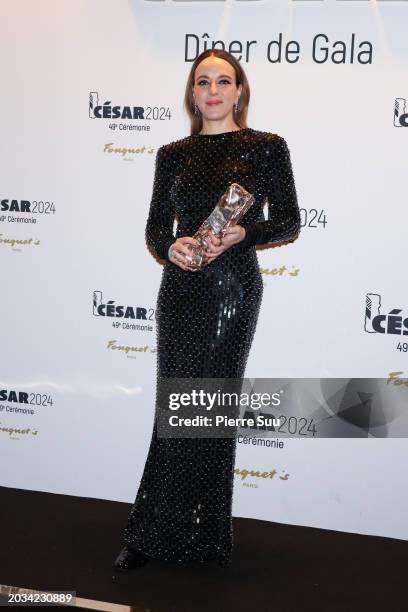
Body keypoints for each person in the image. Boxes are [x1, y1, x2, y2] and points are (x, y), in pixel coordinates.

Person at [113, 49, 301, 573]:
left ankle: (207, 534)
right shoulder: (172, 153)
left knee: (211, 408)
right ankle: (149, 532)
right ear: (192, 93)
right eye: (203, 82)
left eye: (224, 81)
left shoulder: (267, 147)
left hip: (232, 291)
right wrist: (170, 245)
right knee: (173, 408)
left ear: (240, 90)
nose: (214, 90)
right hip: (180, 288)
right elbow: (155, 227)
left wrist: (245, 232)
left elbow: (288, 221)